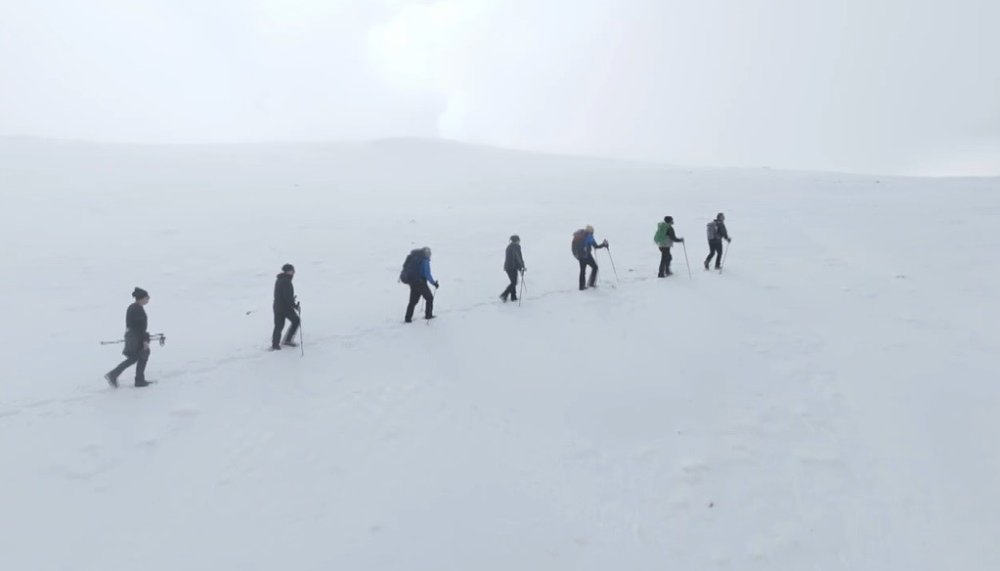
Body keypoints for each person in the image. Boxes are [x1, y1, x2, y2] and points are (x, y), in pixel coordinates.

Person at [105, 287, 153, 388]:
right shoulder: (137, 309)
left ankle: (116, 375)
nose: (148, 299)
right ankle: (137, 380)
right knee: (142, 354)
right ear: (141, 298)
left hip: (132, 336)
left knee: (136, 357)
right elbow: (139, 327)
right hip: (135, 337)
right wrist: (144, 340)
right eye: (147, 297)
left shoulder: (133, 307)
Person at [402, 247, 439, 322]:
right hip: (420, 282)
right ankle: (428, 315)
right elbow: (427, 274)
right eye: (429, 253)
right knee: (429, 298)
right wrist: (434, 283)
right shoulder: (424, 261)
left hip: (413, 282)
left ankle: (407, 318)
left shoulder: (415, 258)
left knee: (413, 301)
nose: (430, 255)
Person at [271, 263, 300, 350]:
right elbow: (287, 297)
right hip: (285, 307)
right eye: (292, 271)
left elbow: (282, 295)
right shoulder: (286, 281)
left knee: (278, 326)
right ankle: (287, 340)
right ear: (288, 271)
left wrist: (291, 299)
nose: (293, 273)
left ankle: (275, 345)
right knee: (296, 320)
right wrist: (295, 306)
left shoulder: (279, 279)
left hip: (277, 306)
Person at [572, 225, 608, 290]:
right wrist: (604, 244)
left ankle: (581, 287)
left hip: (580, 256)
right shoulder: (589, 236)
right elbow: (596, 246)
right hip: (586, 256)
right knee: (595, 267)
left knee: (582, 271)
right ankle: (591, 284)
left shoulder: (581, 235)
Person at [500, 235, 526, 302]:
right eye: (518, 240)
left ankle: (513, 297)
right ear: (516, 240)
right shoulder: (516, 247)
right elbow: (518, 258)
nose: (519, 241)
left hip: (508, 267)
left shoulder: (509, 247)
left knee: (513, 282)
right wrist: (522, 267)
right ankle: (504, 295)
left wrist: (520, 267)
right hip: (512, 267)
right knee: (514, 282)